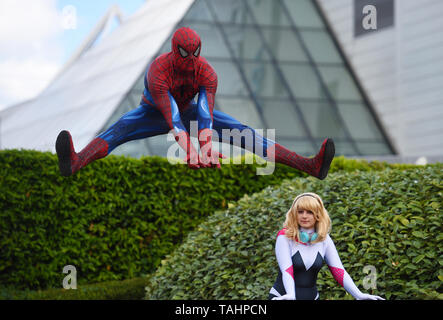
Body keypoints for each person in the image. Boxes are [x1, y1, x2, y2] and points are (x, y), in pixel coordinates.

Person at [55, 27, 335, 179]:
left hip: (187, 111)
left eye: (194, 55)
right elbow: (171, 117)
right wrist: (191, 151)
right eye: (184, 54)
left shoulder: (207, 73)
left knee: (245, 134)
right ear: (174, 51)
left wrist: (205, 148)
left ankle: (310, 166)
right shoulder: (158, 71)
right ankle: (76, 161)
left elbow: (205, 112)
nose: (190, 61)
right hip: (153, 112)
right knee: (119, 130)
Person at [269, 192, 384, 300]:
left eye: (309, 212)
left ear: (318, 215)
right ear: (294, 214)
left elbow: (339, 271)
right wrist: (290, 295)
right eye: (300, 211)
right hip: (284, 296)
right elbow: (287, 270)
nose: (304, 216)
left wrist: (359, 295)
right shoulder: (285, 236)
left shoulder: (324, 239)